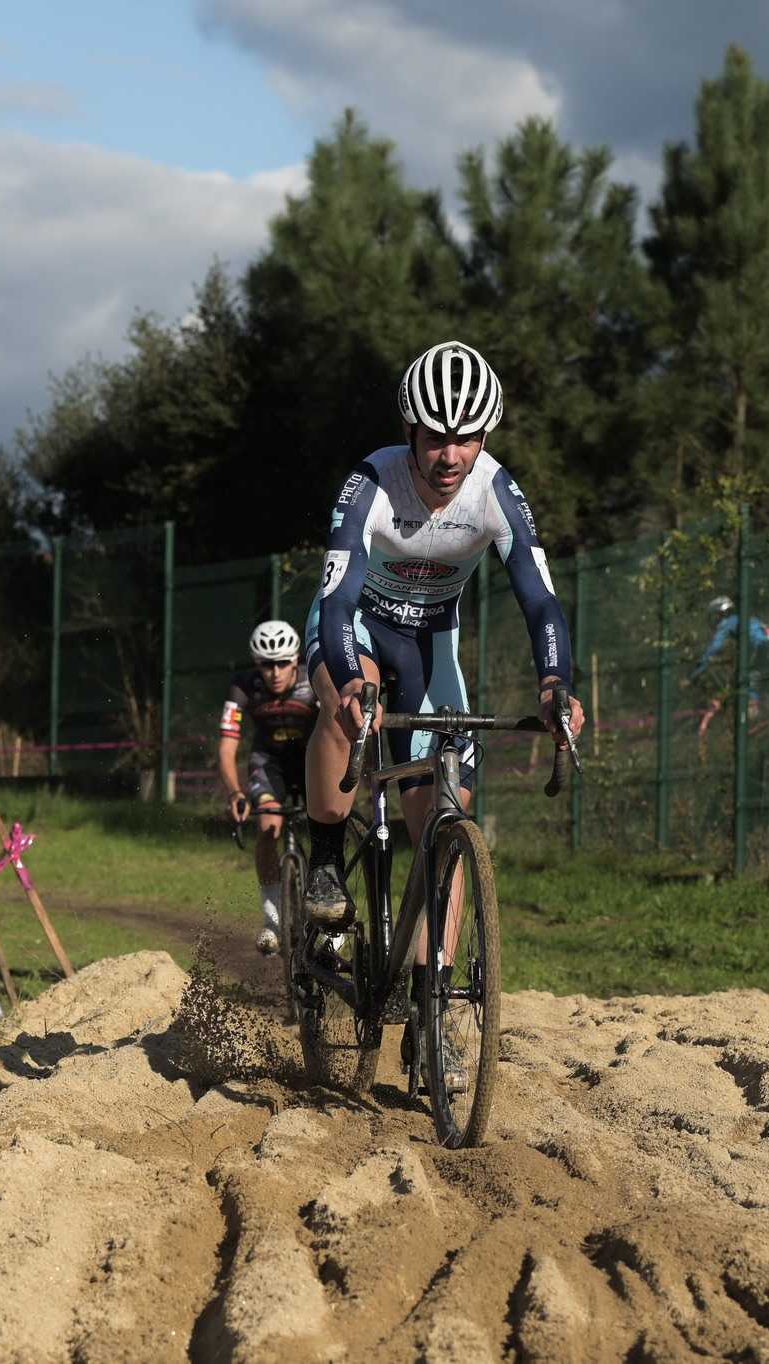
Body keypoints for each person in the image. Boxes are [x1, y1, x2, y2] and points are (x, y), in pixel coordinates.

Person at [299, 340, 587, 1087]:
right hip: (356, 628)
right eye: (435, 437)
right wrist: (346, 680)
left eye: (465, 438)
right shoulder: (371, 481)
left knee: (451, 812)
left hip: (431, 645)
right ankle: (327, 860)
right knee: (346, 707)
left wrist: (556, 685)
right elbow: (335, 598)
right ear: (411, 431)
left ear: (484, 437)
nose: (449, 454)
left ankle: (435, 1004)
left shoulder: (496, 493)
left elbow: (540, 598)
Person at [215, 619, 317, 956]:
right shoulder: (243, 686)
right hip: (268, 762)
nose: (274, 672)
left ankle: (330, 915)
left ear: (296, 660)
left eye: (283, 663)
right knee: (268, 826)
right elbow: (228, 747)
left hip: (310, 761)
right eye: (266, 664)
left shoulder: (313, 680)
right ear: (256, 664)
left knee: (326, 824)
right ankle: (272, 920)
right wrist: (235, 792)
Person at [687, 595, 769, 757]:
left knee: (745, 683)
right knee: (758, 686)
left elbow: (713, 649)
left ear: (720, 614)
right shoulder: (748, 620)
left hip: (766, 652)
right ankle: (764, 720)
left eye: (715, 616)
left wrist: (694, 674)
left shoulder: (727, 623)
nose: (715, 621)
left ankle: (749, 720)